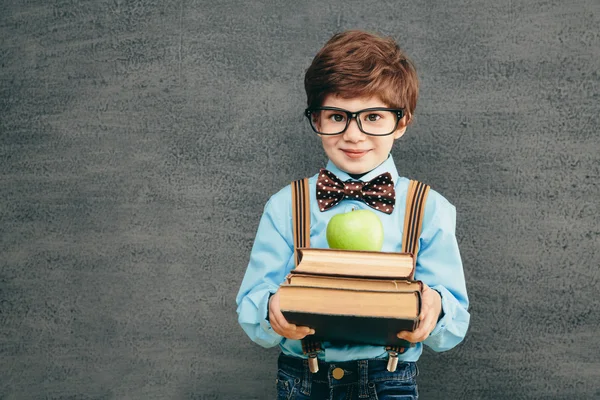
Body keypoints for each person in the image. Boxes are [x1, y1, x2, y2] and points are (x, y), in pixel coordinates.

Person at [236, 30, 470, 399]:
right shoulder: (285, 205)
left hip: (388, 381)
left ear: (403, 121)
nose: (354, 135)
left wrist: (435, 305)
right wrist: (271, 308)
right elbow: (252, 306)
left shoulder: (429, 208)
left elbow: (453, 325)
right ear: (316, 118)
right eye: (336, 116)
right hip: (303, 380)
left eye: (373, 117)